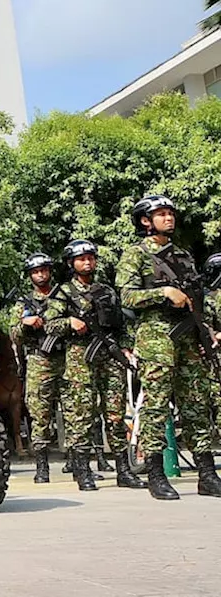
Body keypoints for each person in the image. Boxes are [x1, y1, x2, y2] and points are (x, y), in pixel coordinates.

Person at [116, 194, 221, 501]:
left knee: (197, 404)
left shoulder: (184, 255)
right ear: (145, 221)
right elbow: (126, 297)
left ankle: (207, 474)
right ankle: (156, 474)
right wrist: (163, 293)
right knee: (157, 404)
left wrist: (206, 335)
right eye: (160, 214)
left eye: (170, 213)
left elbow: (196, 302)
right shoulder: (135, 254)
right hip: (157, 339)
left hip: (188, 337)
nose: (168, 218)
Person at [48, 240, 144, 491]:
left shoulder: (107, 291)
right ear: (72, 263)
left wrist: (125, 346)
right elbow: (50, 324)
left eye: (91, 258)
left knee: (114, 414)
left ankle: (124, 470)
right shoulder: (64, 292)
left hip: (110, 357)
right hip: (81, 359)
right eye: (82, 259)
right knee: (81, 416)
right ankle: (83, 471)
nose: (87, 262)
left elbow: (122, 324)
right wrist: (69, 322)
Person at [7, 252, 63, 483]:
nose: (41, 275)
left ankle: (82, 465)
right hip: (39, 359)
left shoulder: (63, 296)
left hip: (68, 358)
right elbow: (13, 334)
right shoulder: (23, 303)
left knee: (77, 412)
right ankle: (42, 467)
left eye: (44, 270)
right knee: (40, 413)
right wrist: (25, 324)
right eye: (36, 272)